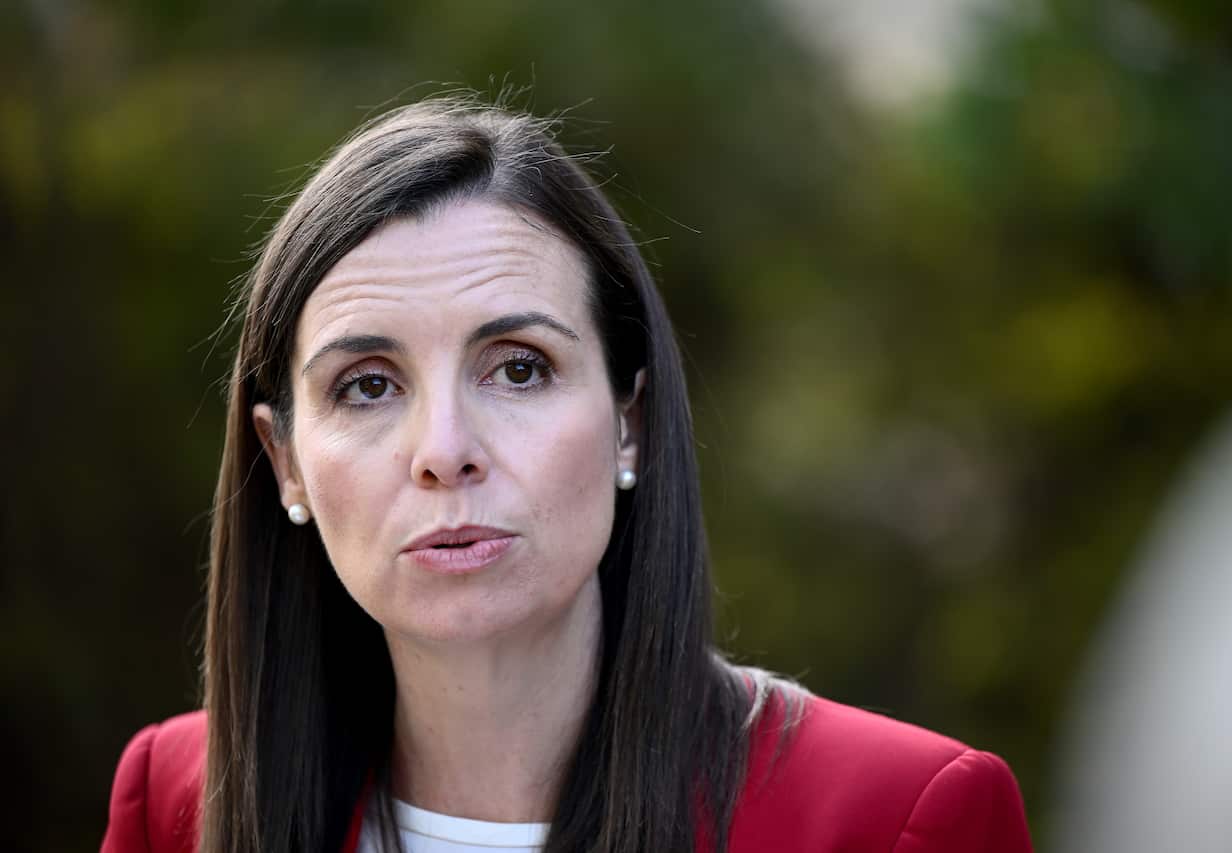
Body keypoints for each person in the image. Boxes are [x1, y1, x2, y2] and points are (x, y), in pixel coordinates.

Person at [100, 96, 1034, 853]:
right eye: (369, 384)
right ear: (285, 462)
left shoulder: (900, 816)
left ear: (630, 422)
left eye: (517, 368)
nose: (444, 449)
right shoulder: (175, 803)